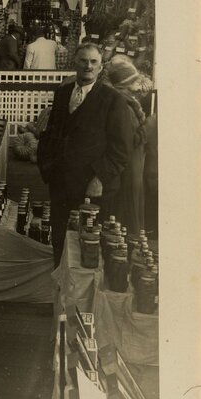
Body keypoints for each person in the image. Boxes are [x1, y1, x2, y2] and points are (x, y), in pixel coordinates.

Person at [36, 43, 136, 265]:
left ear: (101, 67)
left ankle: (83, 297)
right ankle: (60, 286)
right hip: (61, 181)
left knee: (89, 245)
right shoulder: (62, 94)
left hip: (92, 185)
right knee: (61, 237)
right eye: (83, 61)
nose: (88, 66)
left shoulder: (113, 100)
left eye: (93, 62)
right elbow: (52, 131)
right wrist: (47, 164)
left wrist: (100, 177)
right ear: (75, 63)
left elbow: (122, 149)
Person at [104, 56, 153, 235]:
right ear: (126, 83)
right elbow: (129, 137)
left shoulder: (127, 99)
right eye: (134, 79)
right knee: (129, 204)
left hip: (133, 163)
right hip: (129, 164)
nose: (139, 83)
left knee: (131, 201)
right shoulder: (123, 103)